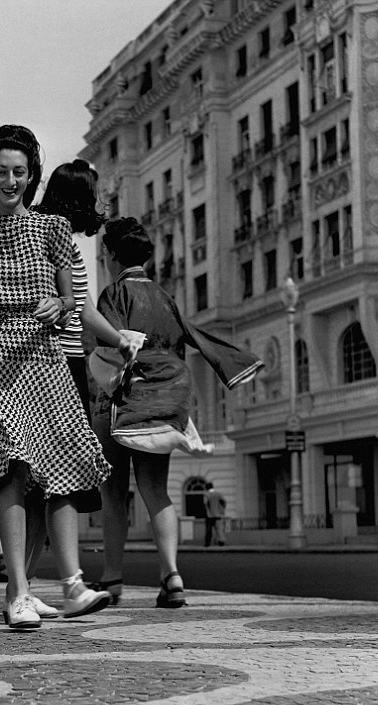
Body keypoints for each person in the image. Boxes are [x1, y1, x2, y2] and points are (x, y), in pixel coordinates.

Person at [0, 124, 115, 629]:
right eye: (0, 172)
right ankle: (18, 593)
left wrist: (61, 303)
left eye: (19, 172)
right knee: (12, 471)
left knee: (61, 473)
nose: (10, 180)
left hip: (47, 357)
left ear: (31, 175)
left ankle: (70, 585)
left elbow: (73, 297)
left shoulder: (53, 227)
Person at [88, 218, 262, 607]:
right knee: (156, 491)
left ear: (112, 256)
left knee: (113, 494)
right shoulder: (167, 297)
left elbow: (109, 342)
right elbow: (194, 339)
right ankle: (172, 576)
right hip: (167, 400)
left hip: (121, 401)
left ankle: (112, 579)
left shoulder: (113, 294)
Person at [23, 159, 140, 598]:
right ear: (82, 197)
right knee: (60, 476)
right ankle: (58, 585)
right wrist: (121, 342)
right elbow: (85, 311)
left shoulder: (35, 228)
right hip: (59, 361)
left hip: (30, 359)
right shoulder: (57, 236)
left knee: (35, 480)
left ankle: (25, 585)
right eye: (93, 194)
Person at [204, 482, 227, 547]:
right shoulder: (218, 494)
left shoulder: (206, 494)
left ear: (206, 487)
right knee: (219, 529)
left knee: (209, 530)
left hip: (210, 516)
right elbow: (224, 502)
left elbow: (205, 504)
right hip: (218, 515)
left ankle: (207, 543)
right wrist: (222, 511)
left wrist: (208, 513)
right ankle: (221, 542)